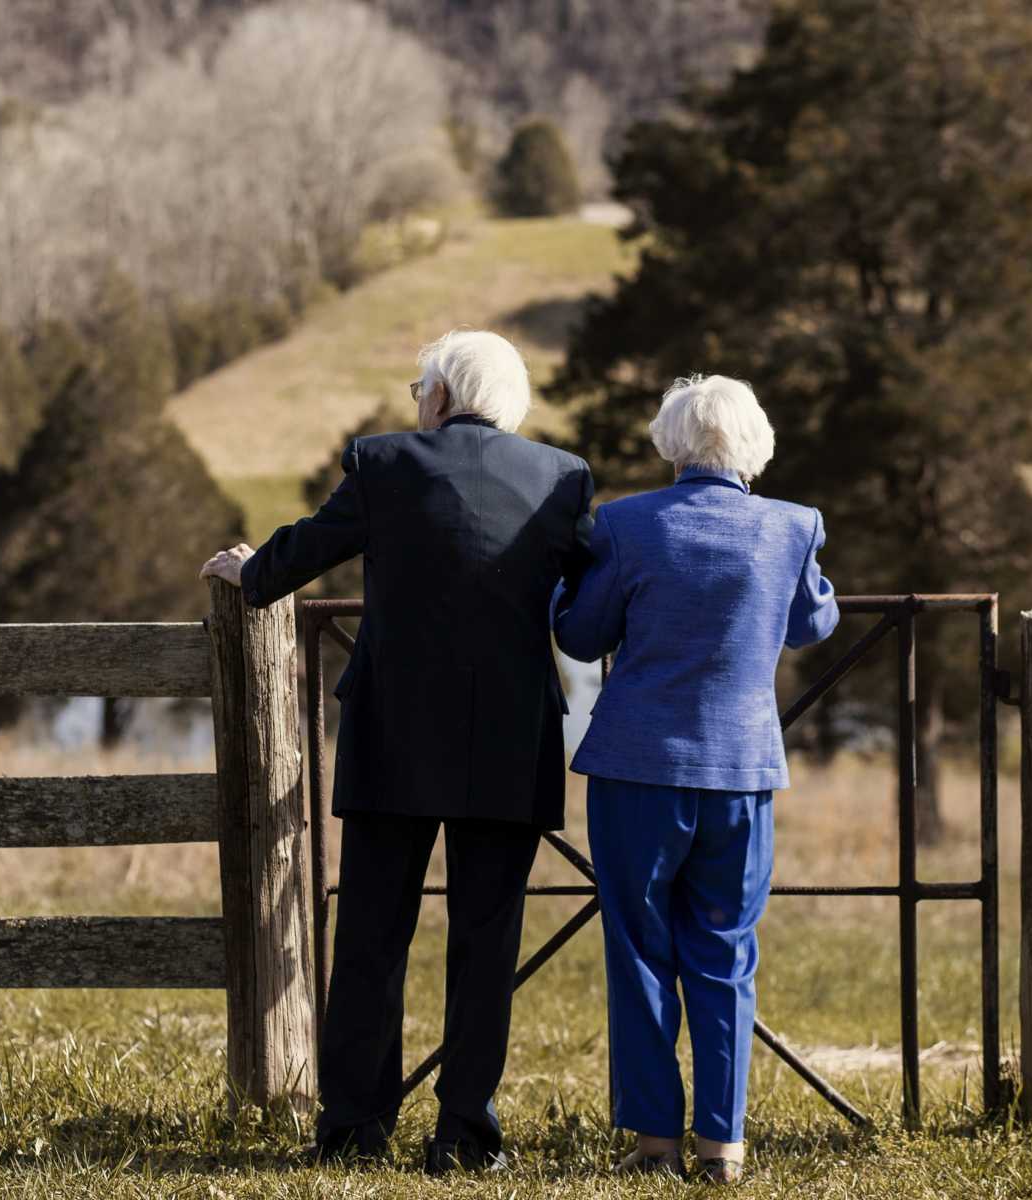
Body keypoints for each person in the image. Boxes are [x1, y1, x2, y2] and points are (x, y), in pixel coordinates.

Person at [200, 330, 594, 1174]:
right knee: (487, 944)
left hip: (394, 733)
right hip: (509, 738)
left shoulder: (384, 463)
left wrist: (250, 570)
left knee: (374, 934)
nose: (417, 400)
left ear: (443, 396)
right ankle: (466, 1137)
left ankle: (353, 1130)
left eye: (421, 386)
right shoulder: (562, 479)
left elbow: (306, 549)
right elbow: (596, 596)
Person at [552, 374, 838, 1184]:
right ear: (756, 446)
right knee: (725, 952)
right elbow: (814, 621)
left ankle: (654, 1142)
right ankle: (724, 1145)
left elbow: (580, 635)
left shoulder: (627, 525)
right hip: (742, 770)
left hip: (635, 769)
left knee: (640, 952)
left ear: (672, 442)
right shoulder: (792, 527)